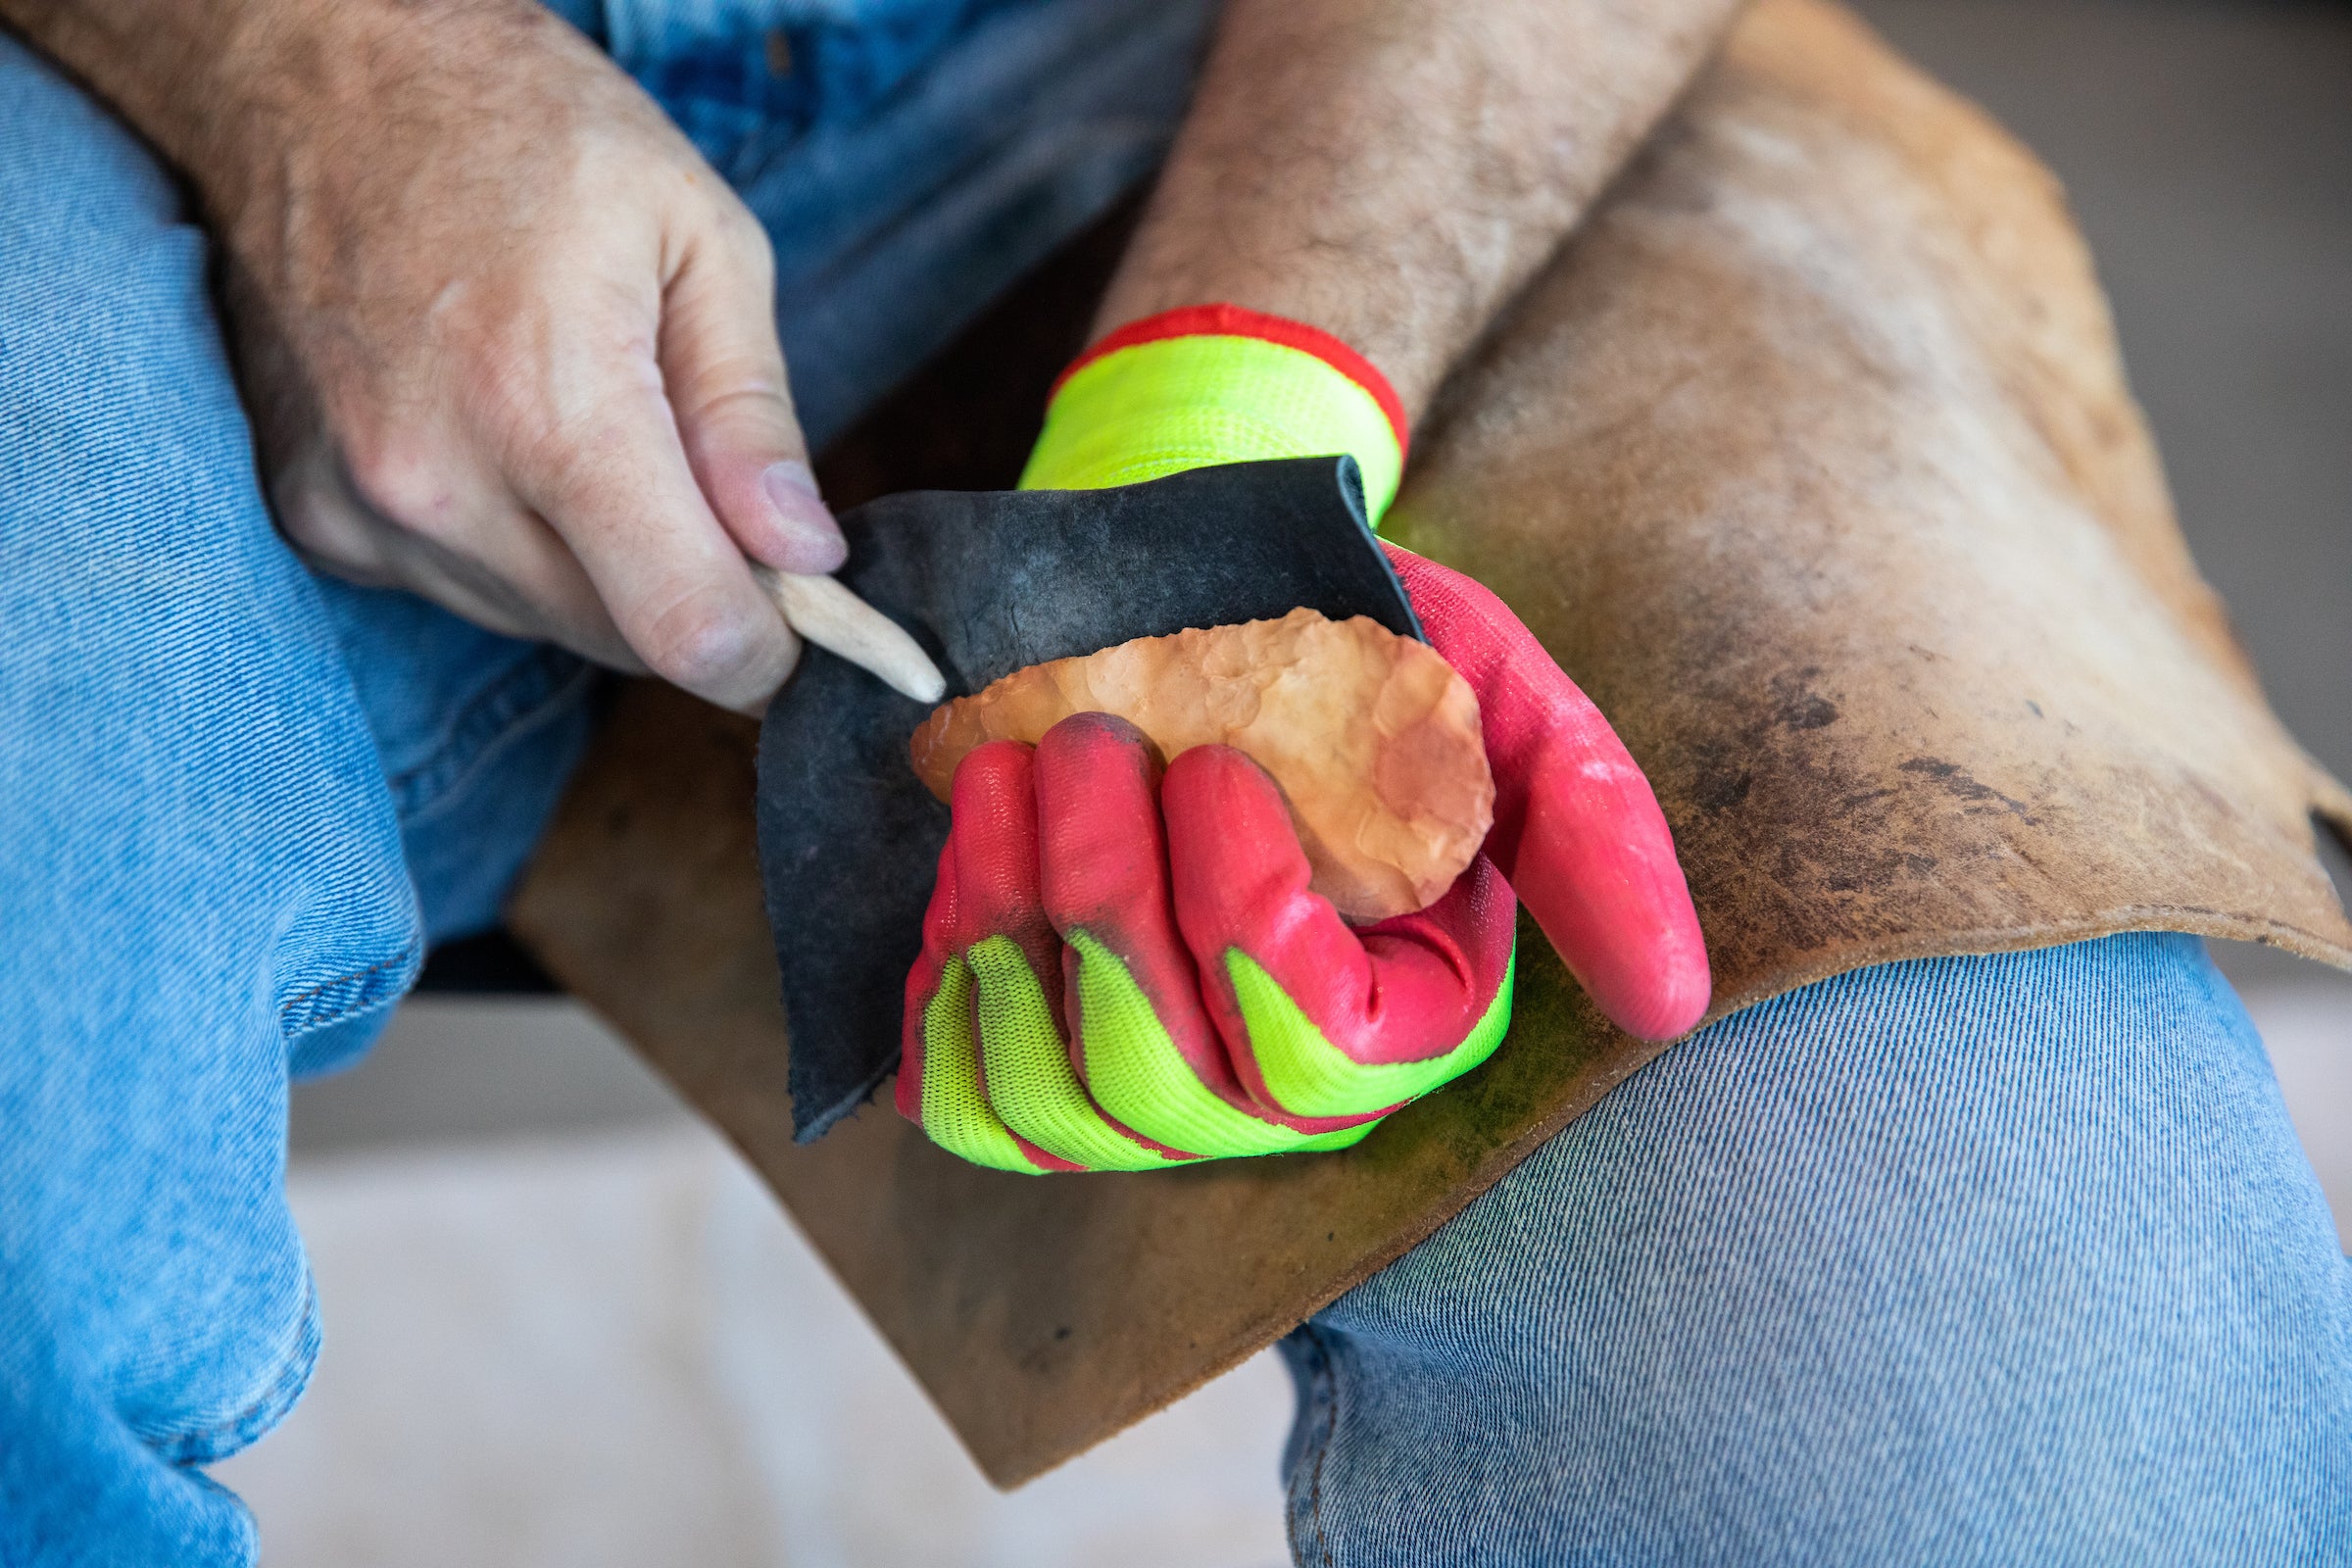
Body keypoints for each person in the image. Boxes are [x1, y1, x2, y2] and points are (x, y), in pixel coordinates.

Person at [0, 0, 2343, 1561]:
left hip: (1305, 82)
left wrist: (1228, 432)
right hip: (106, 114)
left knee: (2016, 1423)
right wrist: (319, 66)